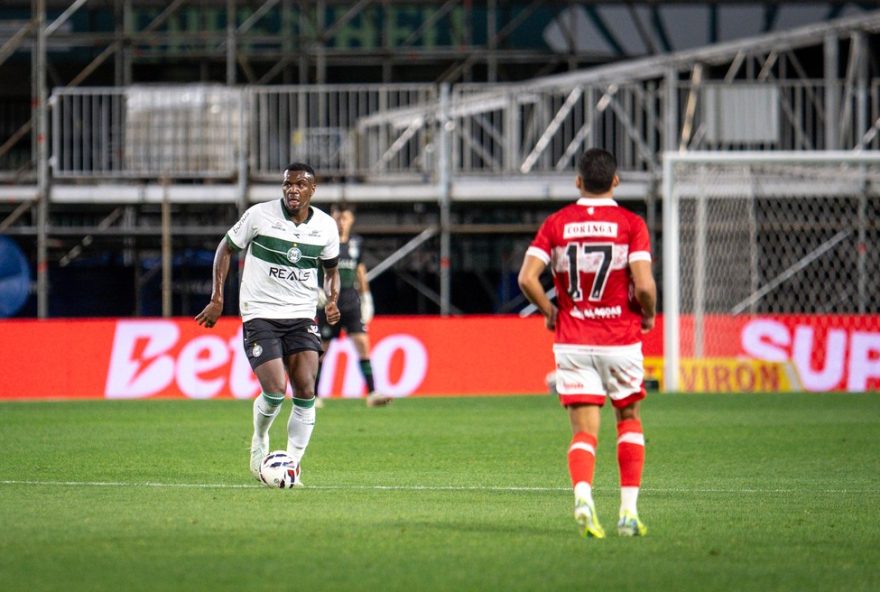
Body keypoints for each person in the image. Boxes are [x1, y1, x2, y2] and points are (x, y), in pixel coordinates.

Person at [517, 148, 656, 539]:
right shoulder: (631, 224)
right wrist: (647, 313)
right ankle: (628, 515)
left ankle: (583, 499)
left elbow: (527, 278)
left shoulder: (558, 222)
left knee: (583, 431)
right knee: (628, 419)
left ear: (578, 182)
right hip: (620, 338)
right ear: (615, 181)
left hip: (573, 339)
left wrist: (549, 310)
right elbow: (643, 284)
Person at [195, 162, 341, 484]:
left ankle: (292, 464)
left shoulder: (327, 228)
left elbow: (331, 272)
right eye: (288, 184)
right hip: (260, 312)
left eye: (300, 185)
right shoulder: (259, 215)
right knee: (275, 391)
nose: (292, 190)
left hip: (302, 314)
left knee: (305, 389)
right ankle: (260, 439)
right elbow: (225, 248)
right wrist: (218, 298)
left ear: (312, 190)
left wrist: (331, 300)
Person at [315, 204, 392, 408]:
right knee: (321, 350)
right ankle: (313, 395)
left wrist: (366, 296)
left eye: (345, 218)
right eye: (338, 217)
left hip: (351, 302)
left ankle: (373, 392)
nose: (341, 222)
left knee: (362, 344)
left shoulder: (356, 243)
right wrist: (315, 289)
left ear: (351, 220)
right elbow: (313, 266)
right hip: (329, 303)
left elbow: (359, 270)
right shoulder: (323, 240)